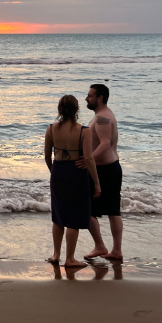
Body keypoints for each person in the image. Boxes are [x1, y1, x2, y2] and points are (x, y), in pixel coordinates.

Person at [44, 94, 101, 268]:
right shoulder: (84, 131)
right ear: (76, 110)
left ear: (59, 109)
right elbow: (89, 159)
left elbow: (47, 156)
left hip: (58, 171)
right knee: (74, 217)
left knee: (59, 216)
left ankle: (56, 255)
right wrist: (97, 183)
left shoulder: (51, 129)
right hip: (76, 173)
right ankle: (70, 259)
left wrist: (54, 171)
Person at [78, 83, 124, 261]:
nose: (86, 98)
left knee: (87, 208)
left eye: (90, 96)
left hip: (104, 170)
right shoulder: (106, 114)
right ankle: (115, 250)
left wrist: (88, 159)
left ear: (100, 98)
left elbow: (104, 143)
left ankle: (100, 246)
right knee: (113, 211)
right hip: (112, 167)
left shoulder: (101, 118)